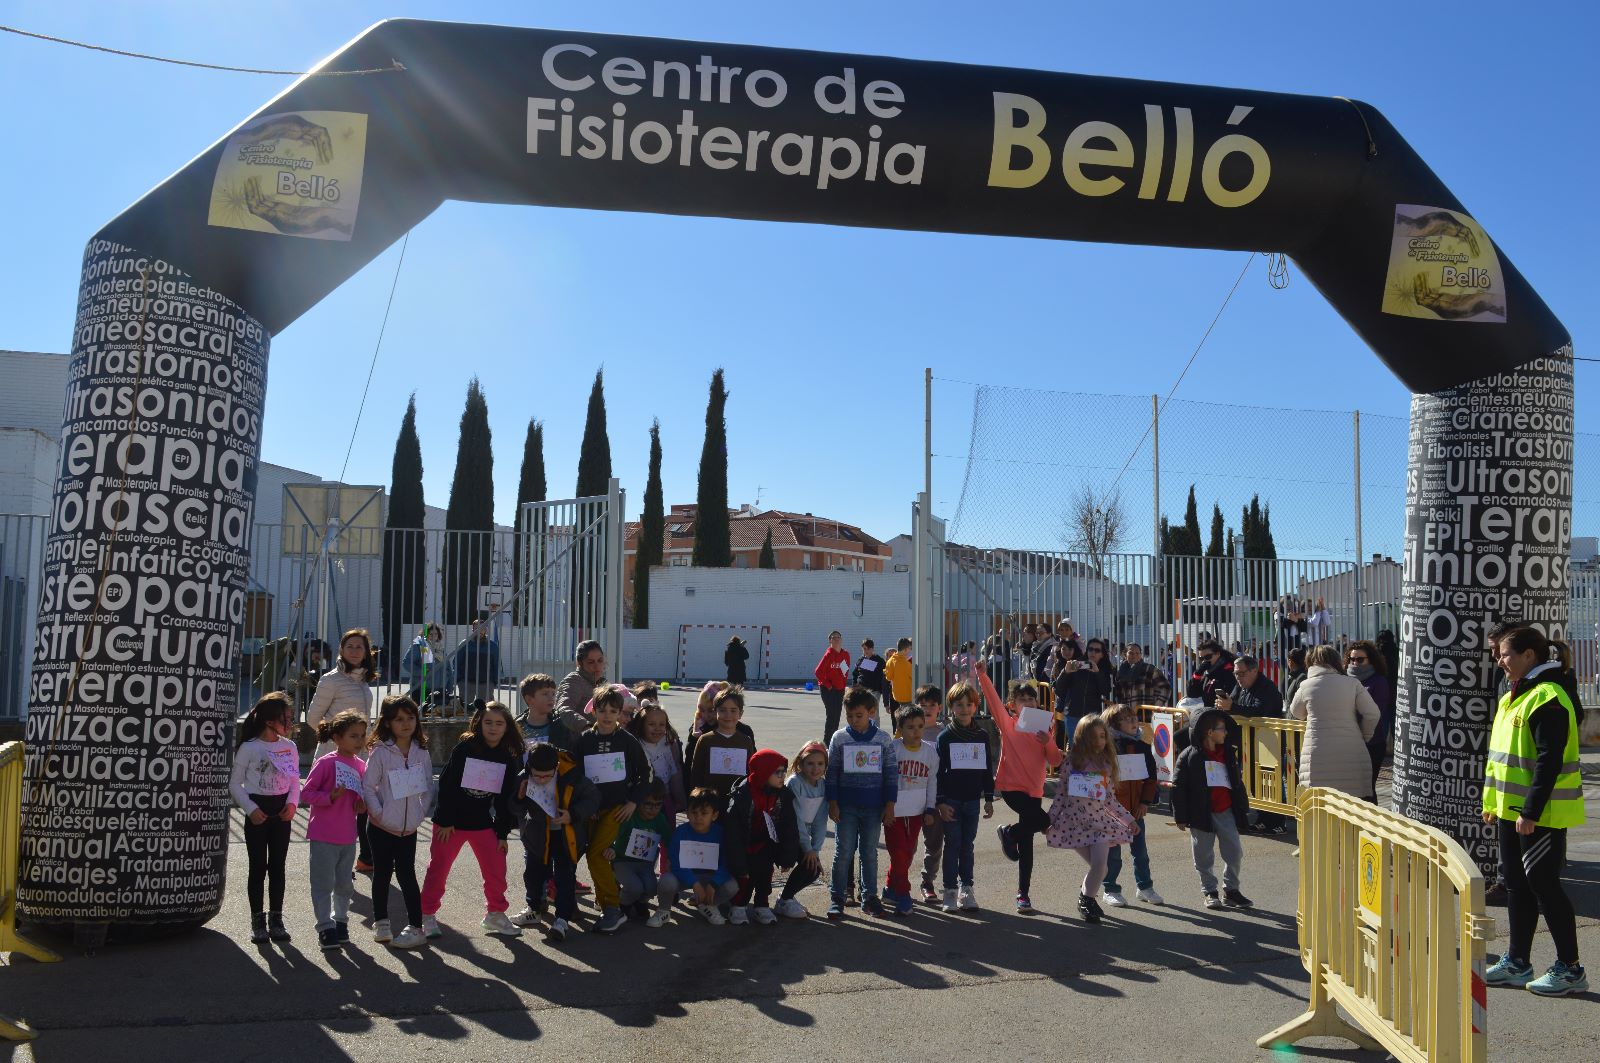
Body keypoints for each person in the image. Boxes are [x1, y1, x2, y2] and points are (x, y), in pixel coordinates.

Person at [1482, 627, 1587, 996]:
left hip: (1538, 815)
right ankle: (1517, 961)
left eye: (1505, 654)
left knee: (1544, 886)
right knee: (1516, 887)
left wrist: (1530, 811)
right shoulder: (1516, 694)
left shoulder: (1548, 695)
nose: (1499, 660)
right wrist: (1492, 805)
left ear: (1529, 655)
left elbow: (1549, 760)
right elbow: (1505, 759)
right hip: (1511, 811)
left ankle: (1570, 969)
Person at [419, 701, 525, 938]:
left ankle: (495, 915)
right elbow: (447, 785)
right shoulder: (466, 748)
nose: (493, 728)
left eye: (499, 723)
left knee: (497, 868)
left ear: (507, 727)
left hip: (482, 823)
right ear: (479, 723)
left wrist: (502, 833)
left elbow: (504, 798)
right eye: (488, 722)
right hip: (451, 824)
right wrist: (445, 821)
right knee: (439, 869)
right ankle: (425, 915)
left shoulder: (507, 757)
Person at [574, 685, 655, 933]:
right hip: (591, 810)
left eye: (613, 710)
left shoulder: (627, 741)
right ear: (594, 711)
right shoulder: (585, 739)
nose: (607, 715)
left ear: (621, 712)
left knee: (596, 855)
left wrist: (633, 802)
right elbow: (575, 775)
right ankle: (606, 902)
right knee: (597, 856)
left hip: (617, 810)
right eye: (602, 710)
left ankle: (612, 908)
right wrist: (584, 806)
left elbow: (645, 775)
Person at [982, 668, 1063, 915]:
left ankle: (1023, 894)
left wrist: (1047, 741)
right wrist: (983, 675)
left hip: (1035, 790)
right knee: (1044, 821)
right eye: (1022, 700)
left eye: (1031, 699)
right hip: (1011, 787)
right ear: (1012, 705)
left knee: (1026, 843)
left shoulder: (1045, 728)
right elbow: (993, 701)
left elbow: (1056, 760)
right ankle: (1009, 832)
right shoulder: (1008, 724)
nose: (1028, 702)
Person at [1045, 716, 1136, 923]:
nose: (1099, 741)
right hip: (1073, 825)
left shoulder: (1106, 764)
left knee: (1100, 866)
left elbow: (1110, 800)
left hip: (1099, 824)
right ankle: (1087, 896)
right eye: (1093, 737)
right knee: (1099, 869)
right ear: (1082, 738)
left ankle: (1086, 899)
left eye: (1103, 736)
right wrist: (1049, 820)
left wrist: (1129, 820)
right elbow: (1060, 796)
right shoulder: (1072, 762)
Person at [362, 694, 433, 950]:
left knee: (407, 875)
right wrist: (379, 814)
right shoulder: (380, 751)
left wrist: (419, 812)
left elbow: (427, 785)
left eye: (410, 718)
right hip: (381, 827)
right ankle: (381, 922)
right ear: (388, 723)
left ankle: (416, 927)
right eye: (399, 719)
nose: (406, 724)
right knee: (381, 873)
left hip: (408, 829)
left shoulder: (421, 750)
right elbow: (368, 787)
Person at [230, 692, 301, 944]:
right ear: (270, 721)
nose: (290, 723)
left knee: (278, 867)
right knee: (258, 866)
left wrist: (292, 804)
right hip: (258, 811)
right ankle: (257, 919)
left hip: (282, 813)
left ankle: (277, 918)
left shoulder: (289, 746)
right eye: (286, 718)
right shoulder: (250, 748)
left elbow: (294, 781)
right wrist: (250, 808)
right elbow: (235, 784)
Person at [305, 628, 378, 870]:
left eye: (360, 647)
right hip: (333, 756)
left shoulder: (362, 680)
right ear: (341, 651)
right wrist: (337, 739)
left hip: (360, 754)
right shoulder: (331, 680)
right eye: (350, 647)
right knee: (334, 807)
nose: (355, 651)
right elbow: (313, 718)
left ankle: (365, 857)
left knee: (360, 803)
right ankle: (329, 861)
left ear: (367, 651)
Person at [513, 742, 598, 943]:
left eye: (547, 776)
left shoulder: (573, 776)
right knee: (533, 874)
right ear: (529, 768)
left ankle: (562, 919)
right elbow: (513, 807)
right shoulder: (524, 778)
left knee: (565, 877)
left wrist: (574, 814)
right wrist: (519, 798)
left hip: (565, 837)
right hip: (536, 837)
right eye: (537, 776)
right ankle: (534, 908)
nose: (541, 780)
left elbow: (593, 798)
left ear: (557, 767)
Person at [825, 686, 898, 919]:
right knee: (844, 851)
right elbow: (832, 772)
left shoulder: (883, 739)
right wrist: (833, 802)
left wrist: (889, 805)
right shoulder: (839, 737)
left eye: (859, 715)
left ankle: (869, 898)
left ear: (872, 712)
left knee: (869, 853)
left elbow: (891, 774)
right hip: (845, 807)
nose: (854, 720)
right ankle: (837, 897)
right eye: (849, 716)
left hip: (873, 808)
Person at [1171, 707, 1252, 910]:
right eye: (1221, 729)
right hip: (1201, 813)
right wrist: (1180, 816)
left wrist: (1242, 806)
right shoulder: (1189, 756)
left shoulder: (1227, 753)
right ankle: (1210, 891)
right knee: (1203, 856)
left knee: (1234, 853)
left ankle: (1231, 890)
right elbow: (1178, 788)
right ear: (1209, 732)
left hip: (1225, 810)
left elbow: (1237, 782)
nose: (1225, 733)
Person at [302, 710, 369, 950]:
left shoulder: (361, 766)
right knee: (322, 883)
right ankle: (325, 926)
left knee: (344, 884)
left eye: (362, 735)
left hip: (348, 837)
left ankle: (340, 921)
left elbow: (360, 802)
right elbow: (306, 793)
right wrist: (329, 796)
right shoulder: (326, 762)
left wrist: (361, 806)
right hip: (322, 835)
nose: (360, 741)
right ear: (338, 737)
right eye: (353, 736)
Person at [934, 680, 996, 913]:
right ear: (951, 706)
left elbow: (986, 769)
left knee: (967, 846)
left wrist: (988, 798)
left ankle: (966, 889)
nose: (964, 709)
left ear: (975, 706)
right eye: (959, 704)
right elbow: (939, 773)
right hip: (951, 801)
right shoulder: (945, 737)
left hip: (972, 801)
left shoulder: (981, 734)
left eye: (969, 704)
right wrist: (940, 802)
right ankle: (949, 891)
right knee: (952, 845)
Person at [1287, 645, 1380, 799]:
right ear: (1336, 661)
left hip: (1316, 754)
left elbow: (1296, 712)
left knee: (1318, 807)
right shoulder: (1353, 684)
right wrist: (1364, 734)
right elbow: (1373, 713)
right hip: (1352, 750)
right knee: (1352, 808)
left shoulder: (1306, 686)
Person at [722, 748, 798, 926]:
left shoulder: (783, 795)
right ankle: (738, 906)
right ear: (763, 773)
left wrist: (787, 857)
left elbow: (789, 828)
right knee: (745, 877)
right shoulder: (742, 796)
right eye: (777, 772)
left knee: (765, 874)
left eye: (783, 772)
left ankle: (762, 905)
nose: (782, 776)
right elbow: (732, 835)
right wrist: (738, 864)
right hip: (744, 845)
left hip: (766, 844)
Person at [1216, 654, 1288, 834]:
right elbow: (1235, 704)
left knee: (1271, 782)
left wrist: (1231, 707)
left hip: (1269, 742)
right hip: (1248, 743)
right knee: (1256, 783)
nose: (1238, 677)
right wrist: (1224, 706)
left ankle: (1278, 822)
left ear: (1254, 670)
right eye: (1235, 674)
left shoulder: (1267, 688)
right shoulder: (1240, 687)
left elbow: (1259, 711)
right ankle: (1263, 818)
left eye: (1241, 673)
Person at [1102, 705, 1162, 907]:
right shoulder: (1106, 747)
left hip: (1136, 810)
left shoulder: (1143, 747)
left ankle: (1145, 887)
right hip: (1112, 812)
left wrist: (1145, 803)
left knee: (1141, 853)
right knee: (1113, 854)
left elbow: (1151, 779)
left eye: (1134, 718)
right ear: (1113, 723)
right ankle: (1110, 889)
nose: (1133, 722)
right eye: (1127, 719)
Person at [654, 787, 741, 926]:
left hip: (710, 877)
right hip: (683, 877)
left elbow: (725, 863)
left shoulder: (721, 833)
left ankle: (709, 904)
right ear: (687, 813)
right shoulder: (680, 832)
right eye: (694, 812)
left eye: (704, 813)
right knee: (666, 880)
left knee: (732, 886)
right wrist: (694, 883)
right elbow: (675, 863)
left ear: (715, 815)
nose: (698, 817)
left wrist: (714, 884)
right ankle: (663, 911)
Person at [885, 705, 939, 915]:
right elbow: (885, 779)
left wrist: (930, 808)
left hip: (917, 812)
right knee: (898, 852)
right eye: (910, 727)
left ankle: (890, 887)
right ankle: (903, 894)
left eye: (919, 726)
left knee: (907, 853)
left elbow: (932, 782)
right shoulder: (893, 749)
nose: (915, 731)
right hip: (894, 812)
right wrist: (886, 807)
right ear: (899, 728)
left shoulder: (930, 752)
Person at [605, 779, 673, 929]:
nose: (652, 809)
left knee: (651, 887)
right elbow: (612, 835)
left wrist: (671, 859)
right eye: (647, 804)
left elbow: (669, 840)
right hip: (623, 862)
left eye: (657, 805)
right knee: (635, 887)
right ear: (637, 802)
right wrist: (610, 848)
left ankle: (639, 902)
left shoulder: (660, 819)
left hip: (645, 864)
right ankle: (622, 906)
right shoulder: (630, 817)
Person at [629, 700, 688, 867]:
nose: (657, 728)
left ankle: (667, 871)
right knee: (644, 835)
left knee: (668, 835)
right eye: (652, 724)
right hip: (643, 799)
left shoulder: (669, 743)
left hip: (666, 797)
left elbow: (675, 771)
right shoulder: (635, 744)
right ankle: (643, 870)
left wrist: (680, 798)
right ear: (641, 725)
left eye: (662, 724)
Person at [778, 743, 829, 920]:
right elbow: (797, 819)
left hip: (803, 838)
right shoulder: (795, 783)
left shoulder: (823, 785)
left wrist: (815, 849)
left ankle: (785, 898)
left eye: (820, 764)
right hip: (787, 834)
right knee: (809, 866)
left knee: (813, 868)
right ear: (800, 763)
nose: (815, 768)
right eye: (810, 763)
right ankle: (784, 900)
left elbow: (821, 820)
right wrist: (807, 849)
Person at [1345, 640, 1395, 797]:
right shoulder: (1345, 680)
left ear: (1370, 659)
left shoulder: (1378, 681)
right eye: (1352, 659)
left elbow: (1375, 713)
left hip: (1372, 741)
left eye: (1360, 659)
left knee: (1367, 788)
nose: (1355, 663)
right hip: (1350, 740)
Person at [689, 686, 758, 798]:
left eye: (733, 710)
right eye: (722, 710)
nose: (728, 715)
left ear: (740, 714)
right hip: (710, 803)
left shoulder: (746, 741)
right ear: (716, 712)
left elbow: (751, 773)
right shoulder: (705, 740)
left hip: (737, 802)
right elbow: (696, 773)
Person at [1051, 638, 1112, 745]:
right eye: (1090, 649)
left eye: (1097, 650)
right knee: (1075, 747)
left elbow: (1106, 691)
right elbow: (1059, 689)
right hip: (1073, 714)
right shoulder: (1077, 665)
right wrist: (1065, 672)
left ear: (1102, 654)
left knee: (1092, 747)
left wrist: (1097, 673)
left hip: (1092, 717)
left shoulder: (1104, 669)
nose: (1093, 652)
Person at [517, 672, 585, 751]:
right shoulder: (516, 727)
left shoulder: (562, 724)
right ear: (529, 699)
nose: (551, 698)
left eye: (553, 694)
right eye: (545, 694)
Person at [400, 624, 453, 707]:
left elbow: (448, 669)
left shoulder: (440, 649)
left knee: (436, 717)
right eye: (430, 634)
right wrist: (422, 672)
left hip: (440, 690)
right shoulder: (418, 646)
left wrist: (449, 687)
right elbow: (406, 663)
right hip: (422, 689)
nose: (433, 636)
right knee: (421, 717)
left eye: (436, 634)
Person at [453, 619, 502, 709]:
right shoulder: (465, 644)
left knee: (485, 710)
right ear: (473, 630)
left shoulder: (492, 646)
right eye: (476, 628)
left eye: (482, 628)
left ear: (486, 630)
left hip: (486, 683)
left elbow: (496, 664)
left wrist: (494, 682)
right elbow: (456, 662)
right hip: (466, 683)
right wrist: (459, 680)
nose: (479, 630)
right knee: (464, 709)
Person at [814, 630, 851, 742]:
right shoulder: (828, 654)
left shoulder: (845, 654)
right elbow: (818, 672)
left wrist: (843, 686)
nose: (836, 639)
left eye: (838, 637)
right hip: (828, 689)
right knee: (831, 715)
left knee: (837, 715)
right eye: (834, 637)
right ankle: (827, 741)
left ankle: (833, 740)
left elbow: (845, 672)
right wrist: (828, 685)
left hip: (839, 689)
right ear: (830, 641)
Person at [555, 639, 607, 718]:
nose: (597, 666)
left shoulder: (602, 682)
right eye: (591, 662)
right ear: (579, 663)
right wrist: (586, 726)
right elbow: (563, 710)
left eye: (600, 660)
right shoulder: (574, 681)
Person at [1113, 642, 1172, 708]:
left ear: (1141, 655)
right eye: (1131, 653)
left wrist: (1156, 706)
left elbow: (1166, 688)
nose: (1134, 655)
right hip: (1127, 715)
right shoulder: (1120, 672)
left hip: (1145, 714)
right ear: (1125, 655)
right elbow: (1118, 694)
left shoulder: (1150, 669)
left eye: (1137, 653)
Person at [851, 638, 888, 703]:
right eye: (864, 649)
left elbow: (885, 674)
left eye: (868, 649)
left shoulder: (879, 660)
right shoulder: (860, 660)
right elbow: (855, 674)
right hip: (862, 691)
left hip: (874, 692)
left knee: (873, 712)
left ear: (872, 649)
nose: (866, 651)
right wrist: (854, 686)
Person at [884, 637, 914, 713]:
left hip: (897, 695)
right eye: (909, 649)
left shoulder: (890, 661)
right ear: (905, 649)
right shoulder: (906, 664)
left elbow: (888, 677)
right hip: (908, 696)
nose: (909, 651)